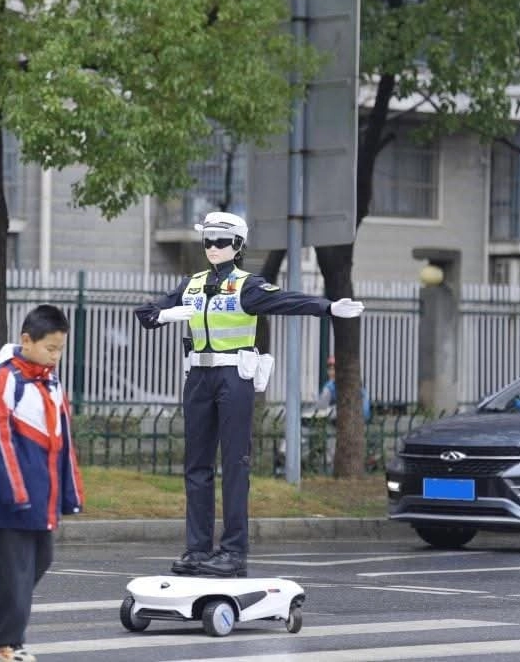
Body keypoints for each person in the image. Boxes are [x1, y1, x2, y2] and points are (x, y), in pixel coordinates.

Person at [135, 212, 365, 578]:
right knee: (196, 465)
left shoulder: (246, 286)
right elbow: (145, 314)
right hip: (198, 377)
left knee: (235, 464)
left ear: (238, 245)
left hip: (233, 377)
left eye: (221, 241)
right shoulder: (191, 285)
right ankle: (197, 549)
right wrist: (164, 315)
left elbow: (287, 301)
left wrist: (328, 307)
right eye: (208, 240)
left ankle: (233, 551)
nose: (213, 247)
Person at [0, 305, 84, 662]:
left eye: (60, 349)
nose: (55, 356)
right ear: (26, 340)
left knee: (38, 562)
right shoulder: (1, 380)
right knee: (15, 575)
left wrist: (69, 494)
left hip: (41, 498)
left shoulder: (50, 382)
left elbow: (63, 443)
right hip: (5, 500)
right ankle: (4, 643)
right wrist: (15, 493)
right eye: (50, 348)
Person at [316, 355, 372, 423]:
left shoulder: (332, 385)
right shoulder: (352, 382)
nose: (332, 372)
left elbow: (321, 407)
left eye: (334, 369)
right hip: (362, 417)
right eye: (330, 369)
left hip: (354, 416)